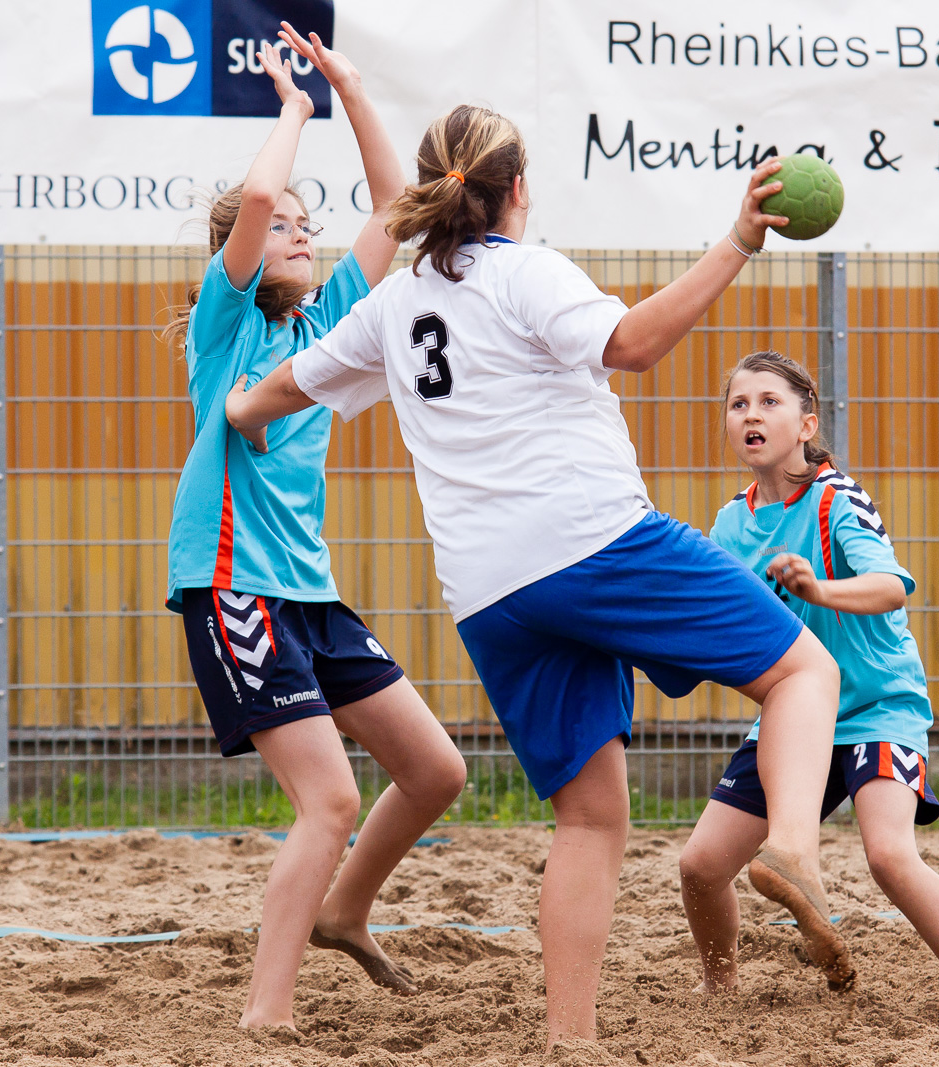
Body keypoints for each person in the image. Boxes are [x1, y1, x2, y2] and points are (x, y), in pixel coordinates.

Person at [223, 108, 853, 1045]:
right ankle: (794, 849)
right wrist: (737, 242)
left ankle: (571, 1039)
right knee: (804, 672)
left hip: (489, 594)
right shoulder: (525, 269)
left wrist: (230, 412)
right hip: (594, 539)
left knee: (591, 816)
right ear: (516, 189)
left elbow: (263, 400)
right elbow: (632, 344)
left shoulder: (392, 306)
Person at [163, 26, 466, 1028]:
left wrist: (349, 88)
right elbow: (252, 200)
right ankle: (268, 1012)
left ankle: (344, 910)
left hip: (310, 594)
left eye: (306, 221)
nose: (299, 228)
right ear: (242, 256)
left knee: (435, 768)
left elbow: (396, 212)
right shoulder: (230, 321)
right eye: (286, 224)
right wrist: (293, 107)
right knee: (328, 801)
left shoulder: (328, 322)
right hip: (235, 587)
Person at [678, 351, 939, 1013]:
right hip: (793, 717)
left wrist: (818, 587)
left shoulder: (836, 496)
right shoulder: (728, 524)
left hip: (876, 706)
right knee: (700, 865)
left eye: (769, 402)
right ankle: (719, 989)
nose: (751, 413)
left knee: (889, 855)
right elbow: (715, 621)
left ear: (806, 424)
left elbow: (892, 586)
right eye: (739, 403)